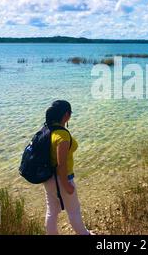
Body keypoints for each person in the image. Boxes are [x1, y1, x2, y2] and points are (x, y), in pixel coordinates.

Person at [43, 100, 91, 235]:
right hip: (62, 178)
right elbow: (61, 163)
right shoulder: (62, 136)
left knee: (51, 211)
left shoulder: (48, 130)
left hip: (48, 178)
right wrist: (66, 185)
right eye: (70, 113)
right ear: (66, 115)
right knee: (74, 211)